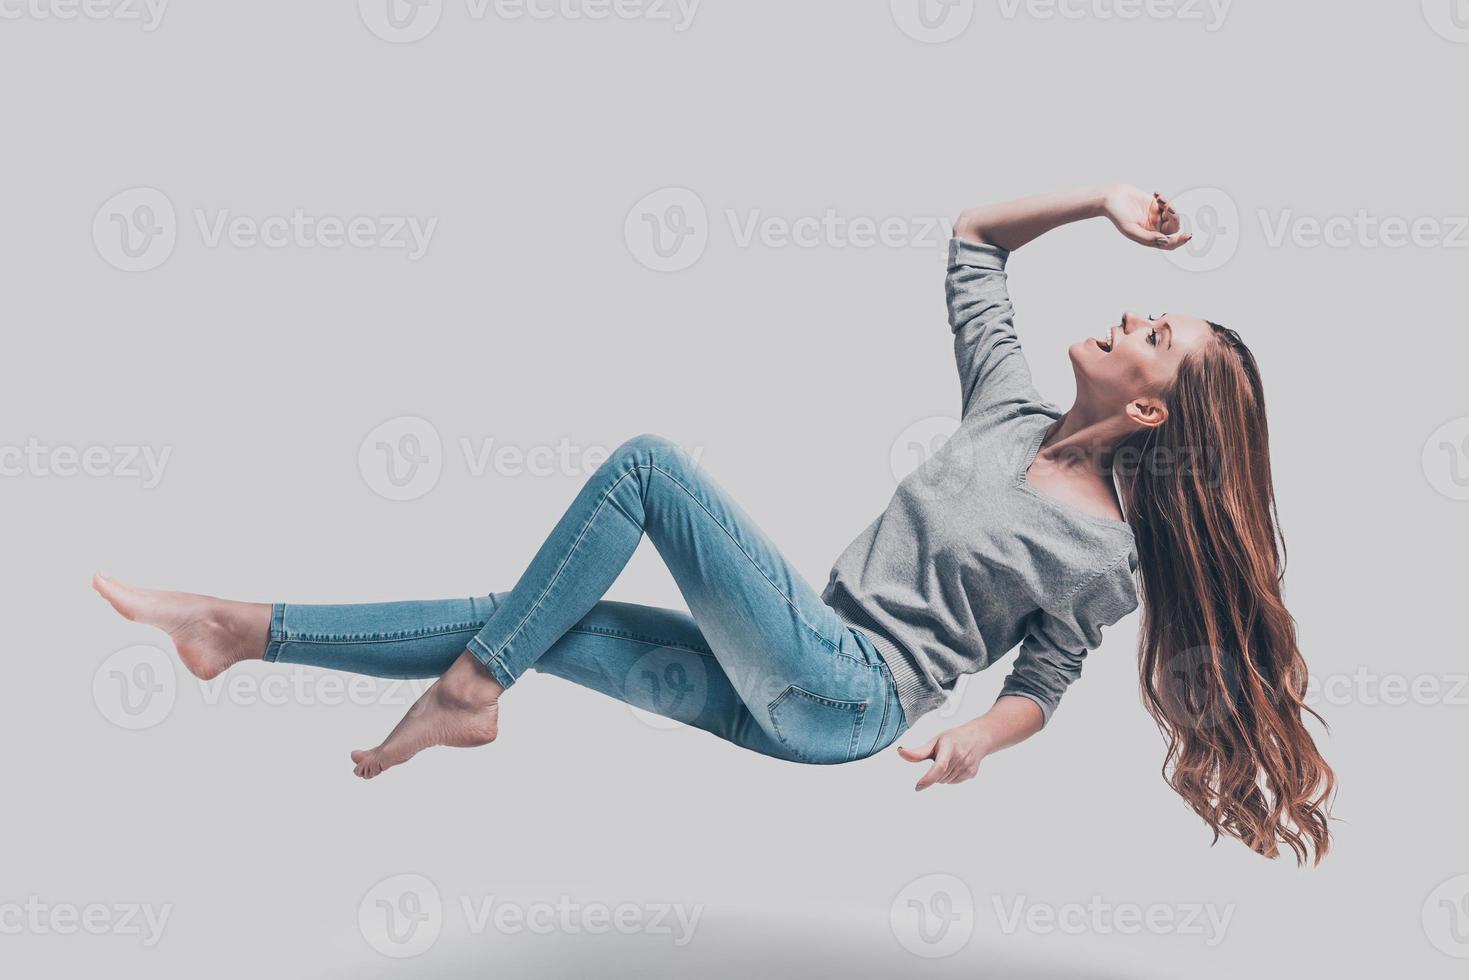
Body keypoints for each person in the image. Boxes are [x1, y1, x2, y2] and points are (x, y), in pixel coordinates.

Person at [95, 183, 1334, 863]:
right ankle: (236, 628)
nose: (1130, 312)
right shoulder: (1006, 404)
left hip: (846, 698)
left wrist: (977, 744)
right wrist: (1096, 197)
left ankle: (469, 689)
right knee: (535, 619)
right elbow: (969, 238)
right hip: (792, 665)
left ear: (1158, 408)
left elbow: (1044, 677)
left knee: (644, 468)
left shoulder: (1104, 548)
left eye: (1155, 333)